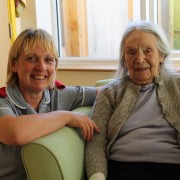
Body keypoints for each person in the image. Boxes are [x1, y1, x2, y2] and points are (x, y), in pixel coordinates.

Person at [0, 28, 100, 179]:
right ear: (14, 64)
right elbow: (15, 134)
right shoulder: (3, 100)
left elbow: (104, 92)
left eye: (48, 60)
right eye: (31, 58)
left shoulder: (58, 94)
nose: (41, 67)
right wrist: (66, 117)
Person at [85, 21, 180, 180]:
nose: (139, 59)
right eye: (131, 52)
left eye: (147, 51)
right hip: (123, 169)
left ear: (161, 55)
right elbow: (96, 143)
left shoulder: (177, 86)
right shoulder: (110, 92)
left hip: (172, 168)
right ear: (124, 59)